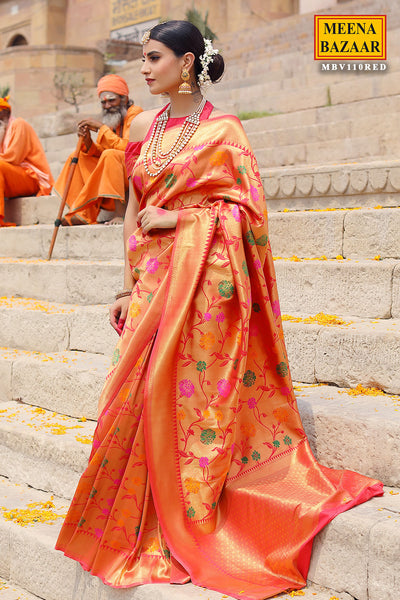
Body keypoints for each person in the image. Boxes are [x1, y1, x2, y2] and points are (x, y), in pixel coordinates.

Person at [55, 21, 383, 600]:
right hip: (153, 286)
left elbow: (249, 219)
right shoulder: (144, 128)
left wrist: (182, 220)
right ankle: (138, 519)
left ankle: (195, 508)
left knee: (182, 398)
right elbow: (134, 213)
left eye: (154, 58)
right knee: (131, 398)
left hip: (206, 290)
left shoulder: (225, 132)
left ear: (186, 63)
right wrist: (125, 287)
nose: (144, 68)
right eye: (143, 59)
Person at [53, 74, 143, 225]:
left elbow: (129, 149)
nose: (107, 105)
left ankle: (121, 215)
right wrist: (87, 140)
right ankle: (83, 213)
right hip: (116, 167)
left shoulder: (135, 113)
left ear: (124, 99)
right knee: (79, 157)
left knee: (111, 155)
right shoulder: (113, 119)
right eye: (103, 102)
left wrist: (102, 129)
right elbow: (100, 152)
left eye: (111, 100)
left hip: (136, 168)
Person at [0, 95, 54, 227]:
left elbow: (13, 158)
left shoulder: (19, 124)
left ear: (5, 113)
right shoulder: (3, 131)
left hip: (32, 178)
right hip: (12, 177)